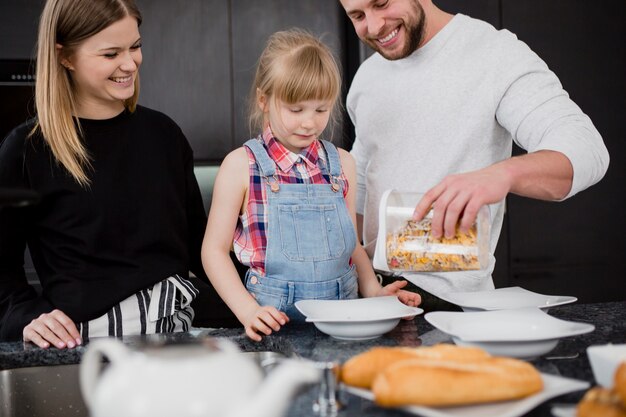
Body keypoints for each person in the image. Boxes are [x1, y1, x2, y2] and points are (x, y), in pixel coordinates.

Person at [339, 0, 610, 306]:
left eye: (382, 3)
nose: (374, 27)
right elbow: (361, 191)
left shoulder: (495, 54)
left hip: (454, 306)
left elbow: (588, 150)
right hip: (374, 299)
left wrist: (502, 174)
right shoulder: (368, 76)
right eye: (358, 15)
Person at [0, 0, 208, 347]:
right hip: (79, 352)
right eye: (111, 54)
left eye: (136, 47)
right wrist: (26, 316)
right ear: (64, 56)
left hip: (173, 345)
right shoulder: (26, 150)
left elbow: (202, 248)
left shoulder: (164, 135)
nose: (130, 63)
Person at [201, 29, 421, 342]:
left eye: (321, 109)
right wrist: (248, 311)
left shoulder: (342, 163)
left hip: (344, 323)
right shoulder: (241, 166)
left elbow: (351, 247)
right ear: (264, 100)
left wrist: (374, 291)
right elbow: (213, 251)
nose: (310, 122)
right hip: (273, 326)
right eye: (296, 109)